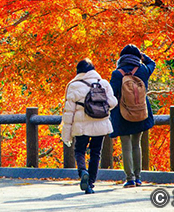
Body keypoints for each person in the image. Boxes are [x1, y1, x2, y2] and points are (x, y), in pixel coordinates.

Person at [61, 58, 118, 194]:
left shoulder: (73, 86)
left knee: (80, 150)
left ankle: (83, 171)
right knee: (95, 152)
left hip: (82, 126)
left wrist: (66, 134)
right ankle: (91, 183)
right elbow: (113, 102)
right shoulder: (103, 83)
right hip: (100, 123)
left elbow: (68, 112)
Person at [109, 44, 156, 188]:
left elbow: (112, 93)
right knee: (137, 144)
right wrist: (142, 56)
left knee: (126, 145)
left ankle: (129, 178)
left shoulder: (117, 74)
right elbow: (152, 63)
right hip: (141, 112)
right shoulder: (142, 70)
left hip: (123, 113)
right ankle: (138, 177)